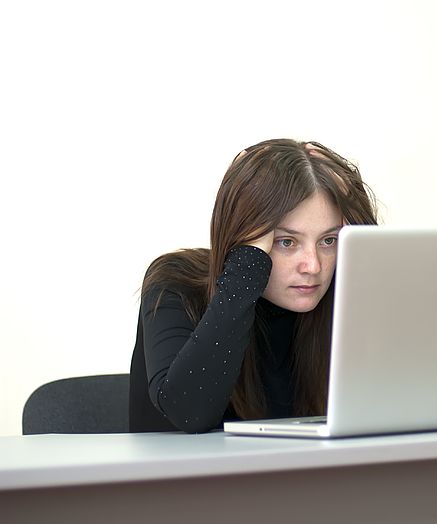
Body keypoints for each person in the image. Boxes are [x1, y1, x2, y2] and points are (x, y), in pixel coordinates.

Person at [129, 139, 379, 433]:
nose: (313, 266)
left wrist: (359, 214)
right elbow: (189, 412)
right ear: (246, 241)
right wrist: (247, 266)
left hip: (304, 477)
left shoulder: (335, 296)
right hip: (189, 477)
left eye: (328, 240)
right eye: (286, 242)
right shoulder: (176, 285)